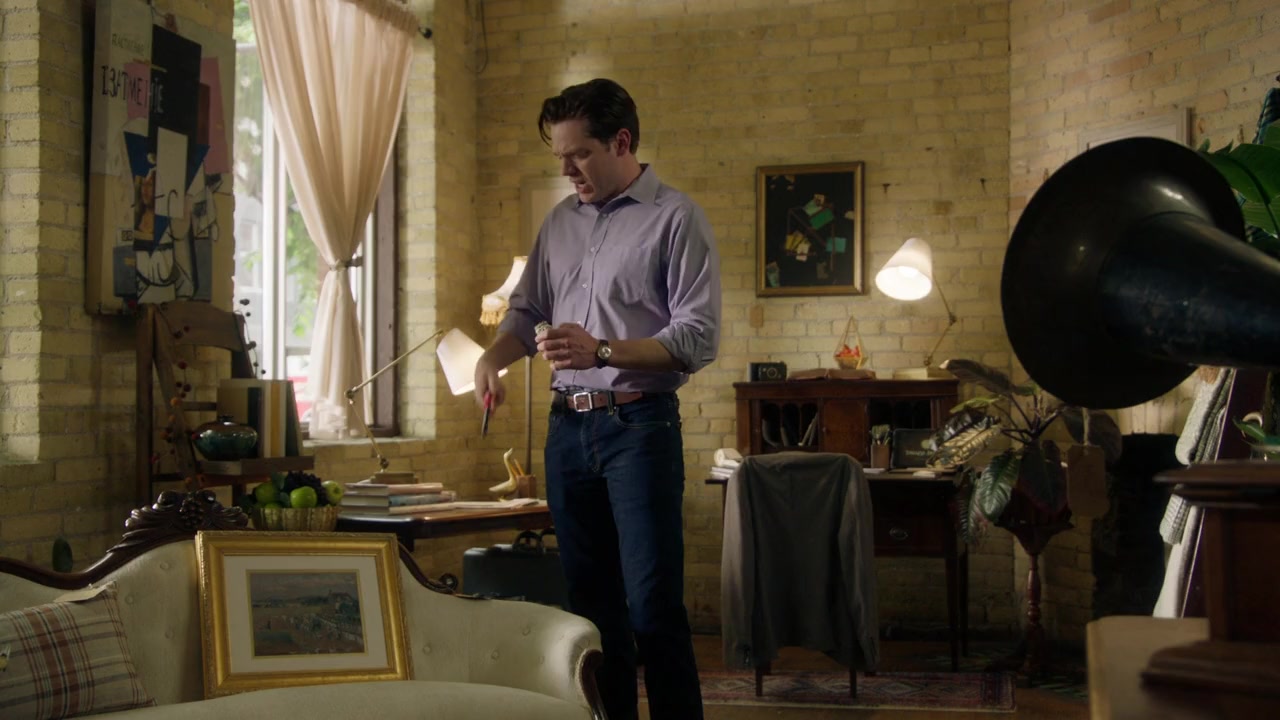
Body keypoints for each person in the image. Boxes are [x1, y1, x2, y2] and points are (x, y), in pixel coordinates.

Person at [472, 78, 720, 720]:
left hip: (639, 430)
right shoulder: (559, 223)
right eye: (560, 156)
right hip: (567, 434)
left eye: (579, 154)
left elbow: (696, 338)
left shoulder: (676, 218)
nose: (567, 169)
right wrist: (492, 358)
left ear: (622, 142)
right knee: (590, 611)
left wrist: (602, 350)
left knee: (653, 607)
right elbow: (526, 311)